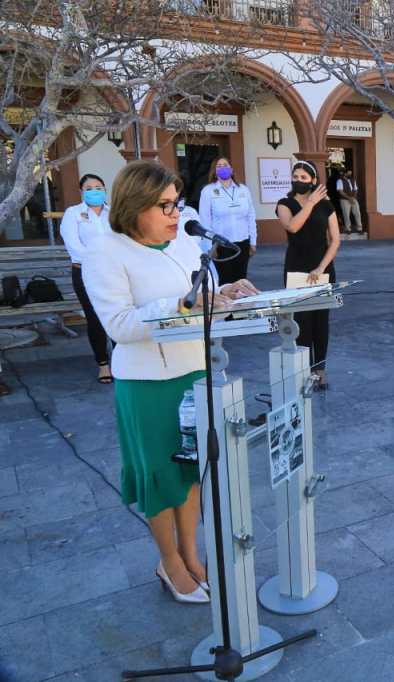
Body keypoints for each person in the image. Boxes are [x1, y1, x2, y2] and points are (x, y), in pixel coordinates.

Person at [83, 161, 258, 605]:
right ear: (134, 205)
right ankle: (169, 562)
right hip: (148, 382)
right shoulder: (105, 251)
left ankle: (191, 555)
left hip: (194, 369)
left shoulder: (180, 241)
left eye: (176, 203)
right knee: (160, 476)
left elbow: (197, 293)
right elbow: (120, 326)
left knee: (190, 471)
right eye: (164, 205)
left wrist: (223, 293)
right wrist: (180, 305)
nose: (175, 213)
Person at [275, 161, 341, 389]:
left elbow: (335, 239)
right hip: (296, 268)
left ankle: (320, 370)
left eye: (304, 177)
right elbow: (293, 226)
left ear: (313, 180)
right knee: (301, 321)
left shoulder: (326, 205)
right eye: (295, 176)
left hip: (322, 269)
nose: (299, 180)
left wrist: (321, 267)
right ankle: (303, 371)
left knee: (321, 322)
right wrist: (310, 202)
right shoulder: (285, 204)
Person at [59, 174, 114, 384]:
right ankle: (103, 364)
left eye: (98, 187)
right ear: (81, 192)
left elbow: (122, 239)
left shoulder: (114, 213)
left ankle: (122, 361)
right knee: (94, 318)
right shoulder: (73, 214)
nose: (94, 191)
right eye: (89, 188)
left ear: (105, 190)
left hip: (114, 272)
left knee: (118, 314)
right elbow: (74, 245)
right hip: (85, 272)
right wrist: (100, 262)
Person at [198, 157, 257, 284]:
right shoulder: (208, 191)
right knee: (226, 281)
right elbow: (205, 220)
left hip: (242, 242)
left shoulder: (243, 189)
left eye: (225, 165)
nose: (222, 168)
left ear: (231, 169)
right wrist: (209, 247)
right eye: (219, 166)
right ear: (214, 171)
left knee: (242, 280)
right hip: (220, 245)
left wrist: (253, 241)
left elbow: (251, 216)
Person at [336, 167, 362, 234]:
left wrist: (353, 197)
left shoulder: (353, 180)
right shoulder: (340, 181)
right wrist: (349, 198)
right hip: (344, 200)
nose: (350, 174)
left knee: (357, 213)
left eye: (350, 173)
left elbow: (355, 189)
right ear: (345, 173)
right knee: (346, 214)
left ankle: (359, 228)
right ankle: (348, 229)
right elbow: (340, 192)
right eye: (349, 173)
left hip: (353, 199)